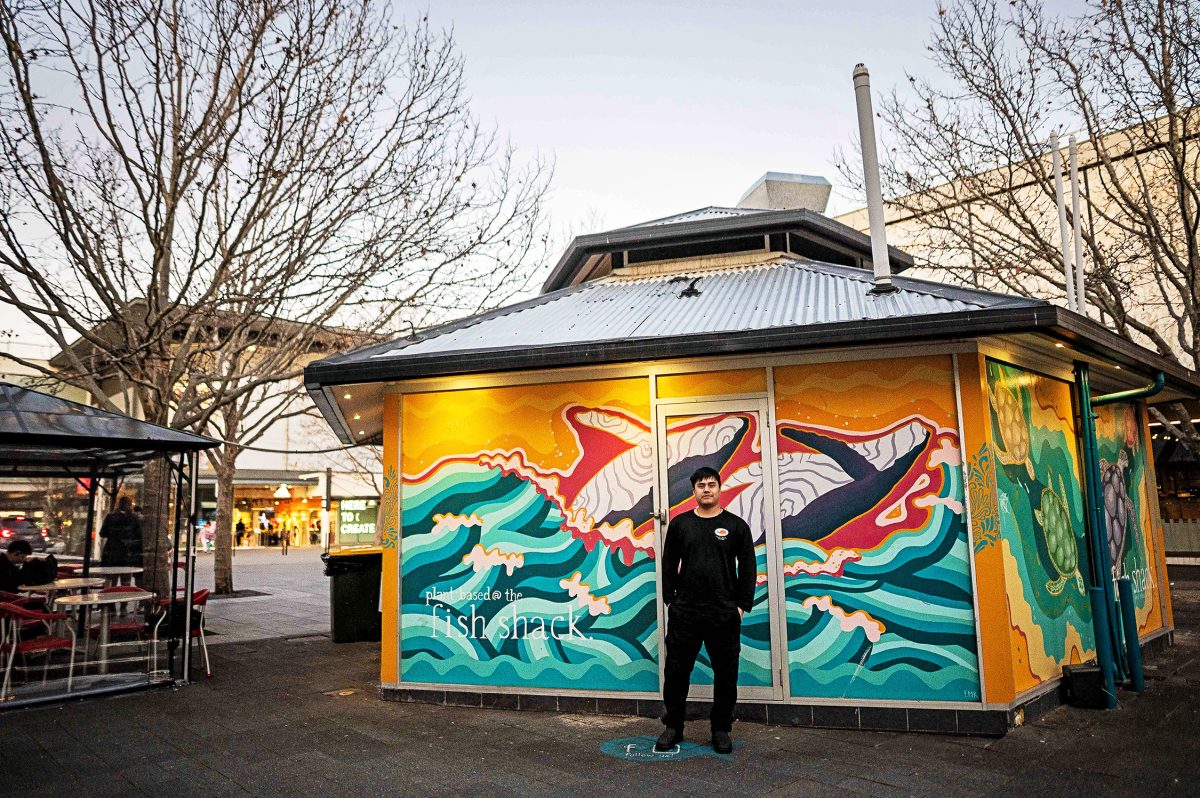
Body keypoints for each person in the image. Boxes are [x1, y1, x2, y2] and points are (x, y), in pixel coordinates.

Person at [657, 466, 756, 755]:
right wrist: (671, 601)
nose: (706, 489)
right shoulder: (680, 524)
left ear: (720, 488)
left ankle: (721, 729)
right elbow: (668, 564)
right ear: (694, 491)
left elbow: (748, 567)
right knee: (676, 672)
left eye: (711, 484)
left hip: (723, 613)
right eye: (700, 485)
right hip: (685, 613)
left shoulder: (737, 526)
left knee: (726, 674)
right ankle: (673, 726)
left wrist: (741, 606)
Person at [99, 494, 143, 568]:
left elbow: (103, 533)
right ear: (130, 505)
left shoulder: (110, 516)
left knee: (111, 575)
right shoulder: (134, 518)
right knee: (126, 576)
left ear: (119, 504)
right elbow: (139, 534)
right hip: (127, 552)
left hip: (111, 551)